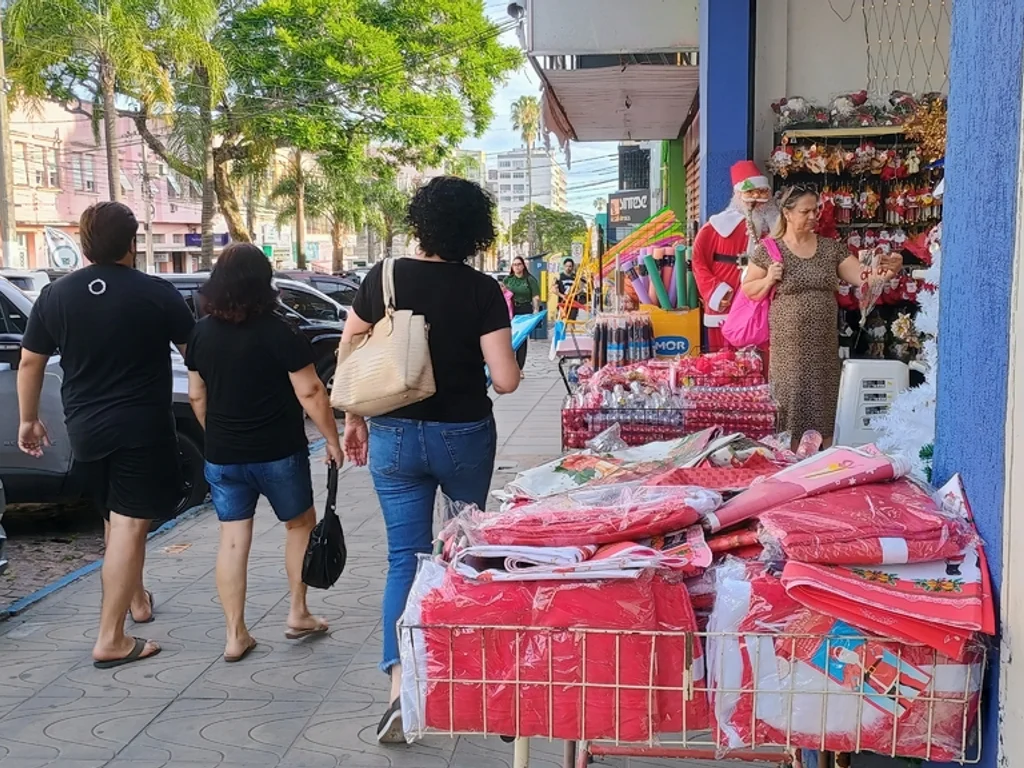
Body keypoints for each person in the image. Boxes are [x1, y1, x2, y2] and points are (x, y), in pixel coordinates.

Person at [341, 176, 520, 743]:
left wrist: (354, 419)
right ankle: (470, 681)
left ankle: (399, 690)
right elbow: (507, 381)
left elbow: (351, 351)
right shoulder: (482, 290)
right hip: (462, 434)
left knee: (404, 559)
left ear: (420, 222)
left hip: (392, 433)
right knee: (465, 550)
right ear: (474, 231)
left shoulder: (384, 276)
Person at [17, 202, 195, 668]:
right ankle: (110, 637)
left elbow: (30, 361)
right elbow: (195, 355)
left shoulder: (56, 296)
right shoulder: (156, 293)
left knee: (116, 518)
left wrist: (28, 419)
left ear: (84, 242)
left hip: (85, 428)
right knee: (132, 524)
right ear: (132, 243)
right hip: (142, 426)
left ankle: (136, 601)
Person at [184, 243, 343, 663]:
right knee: (299, 526)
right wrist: (332, 438)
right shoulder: (279, 330)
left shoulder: (201, 332)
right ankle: (297, 612)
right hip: (278, 451)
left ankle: (235, 635)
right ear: (264, 283)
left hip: (222, 454)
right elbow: (311, 391)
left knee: (233, 540)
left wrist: (217, 436)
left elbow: (197, 396)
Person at [743, 185, 902, 449]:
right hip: (788, 346)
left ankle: (822, 457)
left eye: (816, 210)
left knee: (823, 399)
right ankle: (788, 455)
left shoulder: (831, 249)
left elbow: (864, 280)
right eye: (805, 211)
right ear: (787, 213)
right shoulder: (768, 249)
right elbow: (750, 290)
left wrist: (888, 272)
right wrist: (770, 277)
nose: (813, 216)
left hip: (823, 344)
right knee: (790, 398)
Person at [691, 160, 780, 351]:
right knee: (725, 361)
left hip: (761, 298)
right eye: (750, 193)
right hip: (727, 299)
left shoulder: (776, 228)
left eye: (762, 192)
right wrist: (714, 291)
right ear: (738, 195)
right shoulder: (716, 227)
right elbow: (698, 260)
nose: (757, 198)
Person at [502, 256, 541, 375]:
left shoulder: (529, 280)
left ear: (523, 266)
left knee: (521, 339)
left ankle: (519, 368)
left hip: (525, 309)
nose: (517, 267)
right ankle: (509, 366)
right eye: (514, 265)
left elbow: (536, 296)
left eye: (519, 264)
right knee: (509, 339)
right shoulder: (508, 280)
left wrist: (535, 310)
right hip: (510, 310)